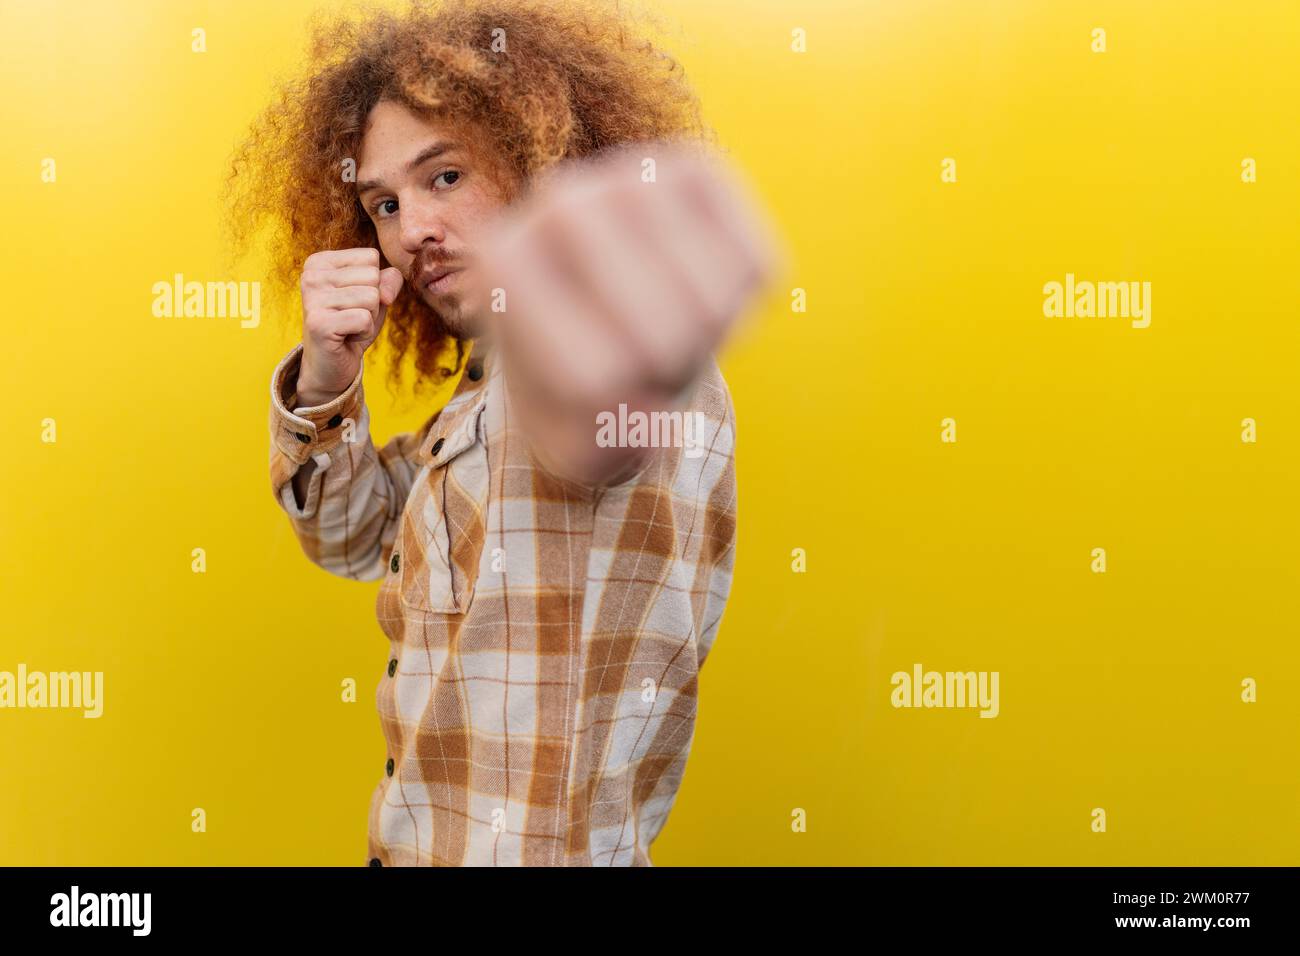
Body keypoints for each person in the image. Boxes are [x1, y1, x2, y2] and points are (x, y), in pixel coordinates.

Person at [227, 0, 779, 866]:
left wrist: (604, 283)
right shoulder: (479, 398)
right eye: (382, 204)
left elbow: (598, 423)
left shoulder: (600, 348)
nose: (411, 233)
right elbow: (350, 535)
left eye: (444, 177)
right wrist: (327, 379)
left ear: (540, 157)